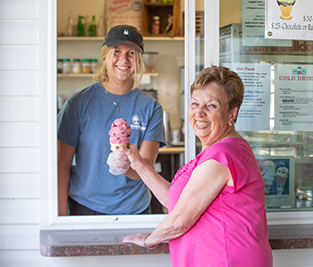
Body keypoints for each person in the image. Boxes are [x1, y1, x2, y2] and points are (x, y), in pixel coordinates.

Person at [120, 66, 273, 266]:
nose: (199, 113)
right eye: (194, 103)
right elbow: (178, 203)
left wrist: (148, 240)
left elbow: (179, 221)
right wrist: (138, 164)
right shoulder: (219, 150)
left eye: (211, 106)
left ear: (231, 115)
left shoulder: (223, 155)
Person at [57, 24, 166, 216]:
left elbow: (146, 164)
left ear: (139, 60)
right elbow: (62, 164)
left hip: (134, 210)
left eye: (131, 53)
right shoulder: (77, 104)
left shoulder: (151, 108)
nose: (123, 59)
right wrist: (61, 217)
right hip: (86, 208)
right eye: (116, 51)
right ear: (105, 56)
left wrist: (125, 167)